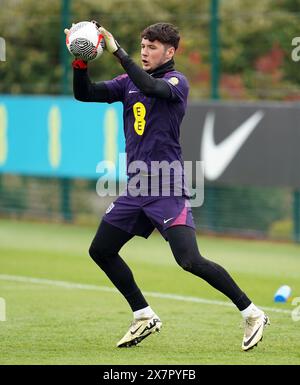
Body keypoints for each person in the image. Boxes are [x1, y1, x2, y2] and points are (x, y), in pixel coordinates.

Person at [65, 22, 269, 351]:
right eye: (142, 46)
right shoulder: (127, 82)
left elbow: (151, 88)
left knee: (189, 260)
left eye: (152, 47)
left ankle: (252, 313)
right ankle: (144, 315)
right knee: (101, 250)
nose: (145, 52)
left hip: (167, 186)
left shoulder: (176, 82)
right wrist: (80, 59)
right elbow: (84, 93)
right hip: (136, 188)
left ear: (170, 52)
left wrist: (118, 52)